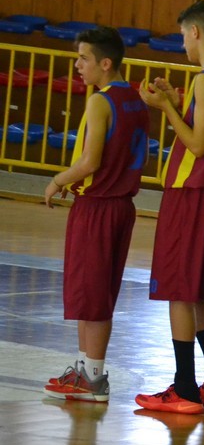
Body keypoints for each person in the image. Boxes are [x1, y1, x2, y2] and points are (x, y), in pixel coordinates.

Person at [135, 0, 204, 414]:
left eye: (183, 35)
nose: (183, 44)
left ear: (196, 32)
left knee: (178, 289)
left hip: (192, 191)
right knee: (195, 290)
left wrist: (164, 109)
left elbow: (197, 144)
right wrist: (177, 105)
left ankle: (183, 388)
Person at [43, 26, 150, 402]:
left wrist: (58, 179)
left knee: (91, 293)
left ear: (105, 63)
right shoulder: (136, 99)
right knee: (95, 292)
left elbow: (90, 161)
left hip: (98, 205)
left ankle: (93, 377)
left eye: (83, 58)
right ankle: (86, 371)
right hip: (121, 205)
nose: (77, 65)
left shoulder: (101, 102)